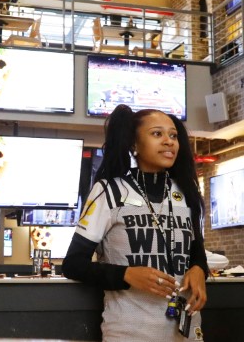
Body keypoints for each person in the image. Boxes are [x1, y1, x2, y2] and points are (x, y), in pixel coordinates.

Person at [62, 104, 208, 341]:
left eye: (173, 135)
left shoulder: (185, 192)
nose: (169, 141)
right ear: (134, 144)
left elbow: (195, 251)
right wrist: (127, 274)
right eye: (157, 134)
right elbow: (73, 264)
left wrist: (200, 269)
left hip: (187, 331)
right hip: (130, 332)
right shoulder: (109, 191)